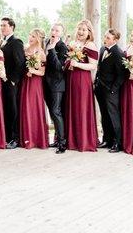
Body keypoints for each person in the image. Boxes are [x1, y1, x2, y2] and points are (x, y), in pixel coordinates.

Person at [0, 17, 25, 149]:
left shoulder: (16, 42)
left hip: (10, 82)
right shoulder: (3, 42)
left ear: (12, 27)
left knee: (13, 109)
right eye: (1, 25)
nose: (2, 27)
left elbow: (20, 63)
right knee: (6, 109)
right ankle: (7, 136)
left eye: (4, 25)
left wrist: (13, 80)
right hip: (1, 82)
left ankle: (14, 139)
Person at [65, 20, 99, 152]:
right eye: (79, 29)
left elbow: (93, 65)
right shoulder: (73, 44)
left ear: (89, 32)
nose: (80, 32)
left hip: (82, 79)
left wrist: (77, 64)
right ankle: (72, 140)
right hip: (71, 78)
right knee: (72, 107)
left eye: (84, 30)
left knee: (81, 107)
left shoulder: (90, 45)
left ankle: (84, 140)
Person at [94, 29, 125, 153]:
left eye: (108, 37)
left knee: (113, 116)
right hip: (100, 88)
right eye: (105, 36)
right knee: (104, 115)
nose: (105, 39)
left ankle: (117, 143)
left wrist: (113, 90)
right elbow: (99, 68)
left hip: (111, 90)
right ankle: (107, 140)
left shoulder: (118, 53)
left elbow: (121, 75)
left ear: (115, 40)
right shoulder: (102, 49)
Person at [19, 29, 49, 149]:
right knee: (25, 107)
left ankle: (36, 138)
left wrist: (33, 71)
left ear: (38, 39)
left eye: (33, 36)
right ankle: (26, 138)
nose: (30, 38)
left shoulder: (41, 53)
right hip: (25, 81)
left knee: (33, 108)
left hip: (35, 83)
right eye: (30, 35)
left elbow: (42, 72)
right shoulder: (25, 50)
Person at [43, 23, 68, 154]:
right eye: (52, 29)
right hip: (45, 83)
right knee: (52, 113)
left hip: (57, 84)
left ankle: (62, 144)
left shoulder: (62, 47)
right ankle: (57, 139)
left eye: (57, 30)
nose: (53, 32)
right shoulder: (46, 42)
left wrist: (52, 50)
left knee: (56, 111)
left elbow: (59, 67)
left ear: (61, 33)